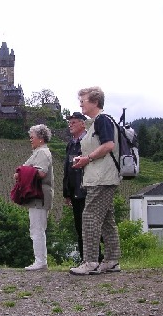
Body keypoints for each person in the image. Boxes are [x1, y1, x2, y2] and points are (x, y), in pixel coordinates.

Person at [69, 87, 122, 275]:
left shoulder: (102, 121)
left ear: (95, 101)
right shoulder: (95, 123)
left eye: (83, 100)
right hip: (99, 177)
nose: (80, 103)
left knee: (89, 216)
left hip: (102, 177)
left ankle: (90, 262)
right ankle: (112, 260)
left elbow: (109, 145)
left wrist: (87, 158)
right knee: (107, 220)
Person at [63, 112, 104, 264]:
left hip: (88, 189)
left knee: (90, 226)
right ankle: (85, 259)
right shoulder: (71, 143)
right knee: (79, 227)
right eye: (69, 123)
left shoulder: (89, 142)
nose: (70, 125)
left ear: (82, 123)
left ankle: (95, 258)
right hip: (75, 192)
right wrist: (67, 192)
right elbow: (67, 169)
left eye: (73, 122)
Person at [13, 124, 54, 271]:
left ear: (41, 139)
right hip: (38, 195)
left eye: (33, 137)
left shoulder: (42, 153)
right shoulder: (38, 152)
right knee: (35, 228)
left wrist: (22, 173)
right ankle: (39, 260)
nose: (31, 140)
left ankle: (40, 262)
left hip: (40, 194)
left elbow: (41, 172)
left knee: (37, 228)